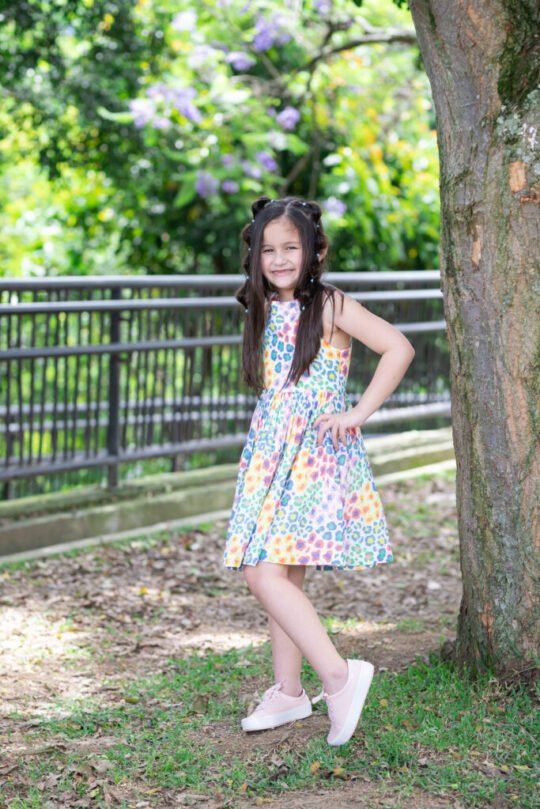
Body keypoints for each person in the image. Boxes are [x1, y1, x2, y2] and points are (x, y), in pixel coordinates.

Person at [223, 195, 415, 746]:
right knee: (282, 573)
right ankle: (288, 692)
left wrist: (357, 413)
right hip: (273, 451)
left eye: (291, 248)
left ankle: (338, 676)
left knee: (262, 572)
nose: (280, 259)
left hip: (314, 452)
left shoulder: (329, 304)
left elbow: (397, 348)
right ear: (255, 257)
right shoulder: (264, 306)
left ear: (316, 251)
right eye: (268, 250)